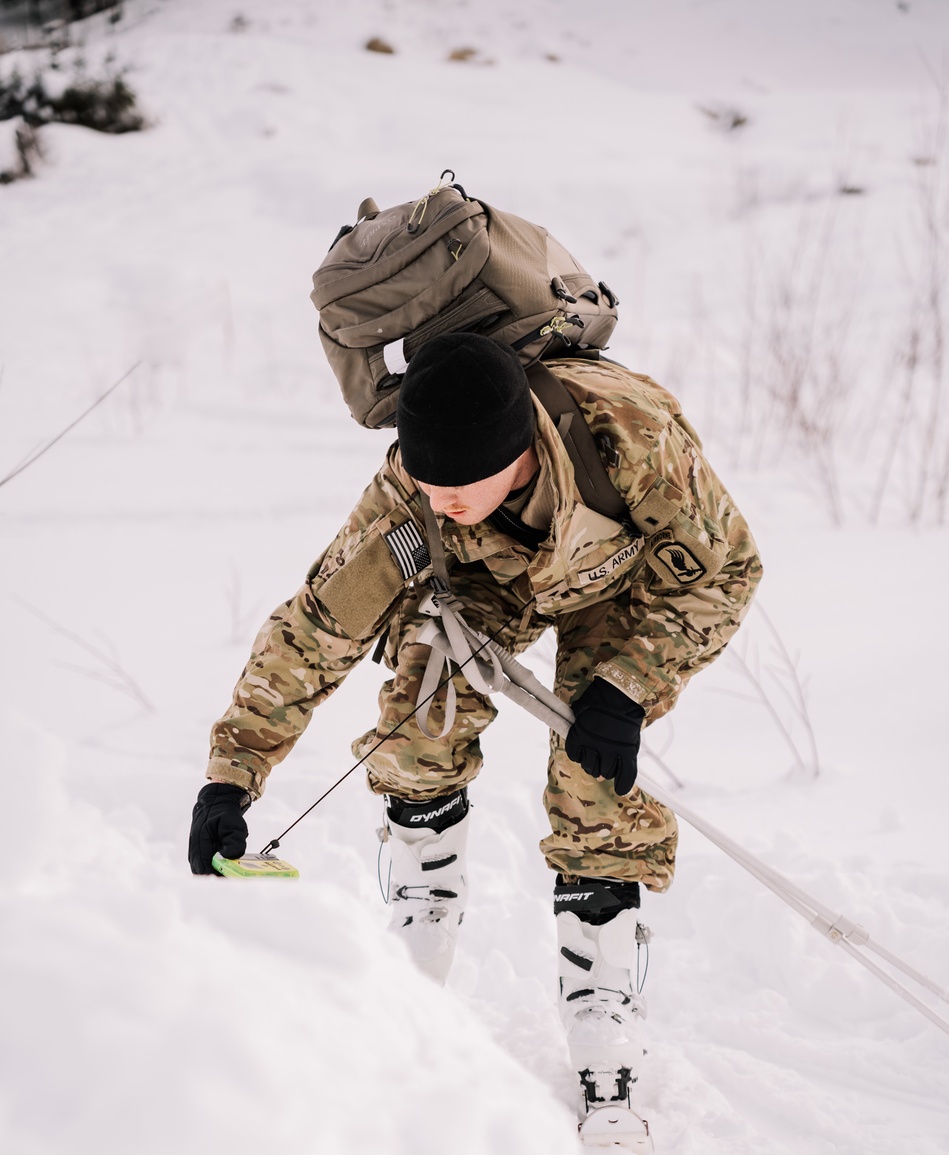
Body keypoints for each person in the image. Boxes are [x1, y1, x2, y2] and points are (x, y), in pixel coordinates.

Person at [188, 333, 762, 1114]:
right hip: (487, 574)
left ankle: (602, 997)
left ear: (520, 447)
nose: (443, 495)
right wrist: (232, 776)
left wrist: (628, 688)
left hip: (624, 578)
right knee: (424, 703)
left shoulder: (632, 437)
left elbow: (727, 570)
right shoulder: (415, 497)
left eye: (463, 479)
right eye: (429, 477)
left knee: (589, 771)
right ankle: (423, 911)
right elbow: (319, 625)